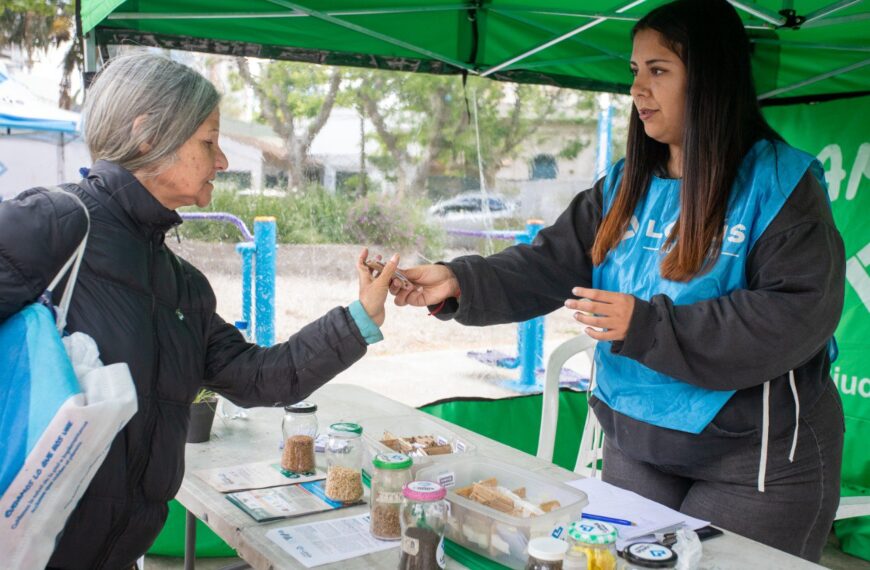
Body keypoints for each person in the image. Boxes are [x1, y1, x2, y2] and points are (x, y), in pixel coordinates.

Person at [391, 0, 845, 561]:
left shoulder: (781, 183)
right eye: (635, 71)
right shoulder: (626, 181)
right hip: (637, 443)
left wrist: (648, 325)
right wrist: (458, 281)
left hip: (755, 462)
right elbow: (546, 263)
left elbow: (793, 314)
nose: (638, 89)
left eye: (659, 70)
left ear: (711, 78)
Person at [0, 53, 398, 569]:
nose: (224, 161)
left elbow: (261, 379)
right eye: (209, 141)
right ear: (148, 134)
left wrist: (360, 317)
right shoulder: (51, 228)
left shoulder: (183, 286)